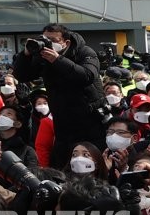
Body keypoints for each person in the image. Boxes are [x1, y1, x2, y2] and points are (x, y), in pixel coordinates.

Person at [12, 23, 105, 168]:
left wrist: (57, 60)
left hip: (89, 117)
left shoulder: (84, 52)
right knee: (63, 163)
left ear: (65, 42)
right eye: (45, 39)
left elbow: (87, 75)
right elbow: (22, 75)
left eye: (53, 40)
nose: (49, 43)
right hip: (62, 119)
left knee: (90, 161)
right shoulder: (42, 55)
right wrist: (25, 55)